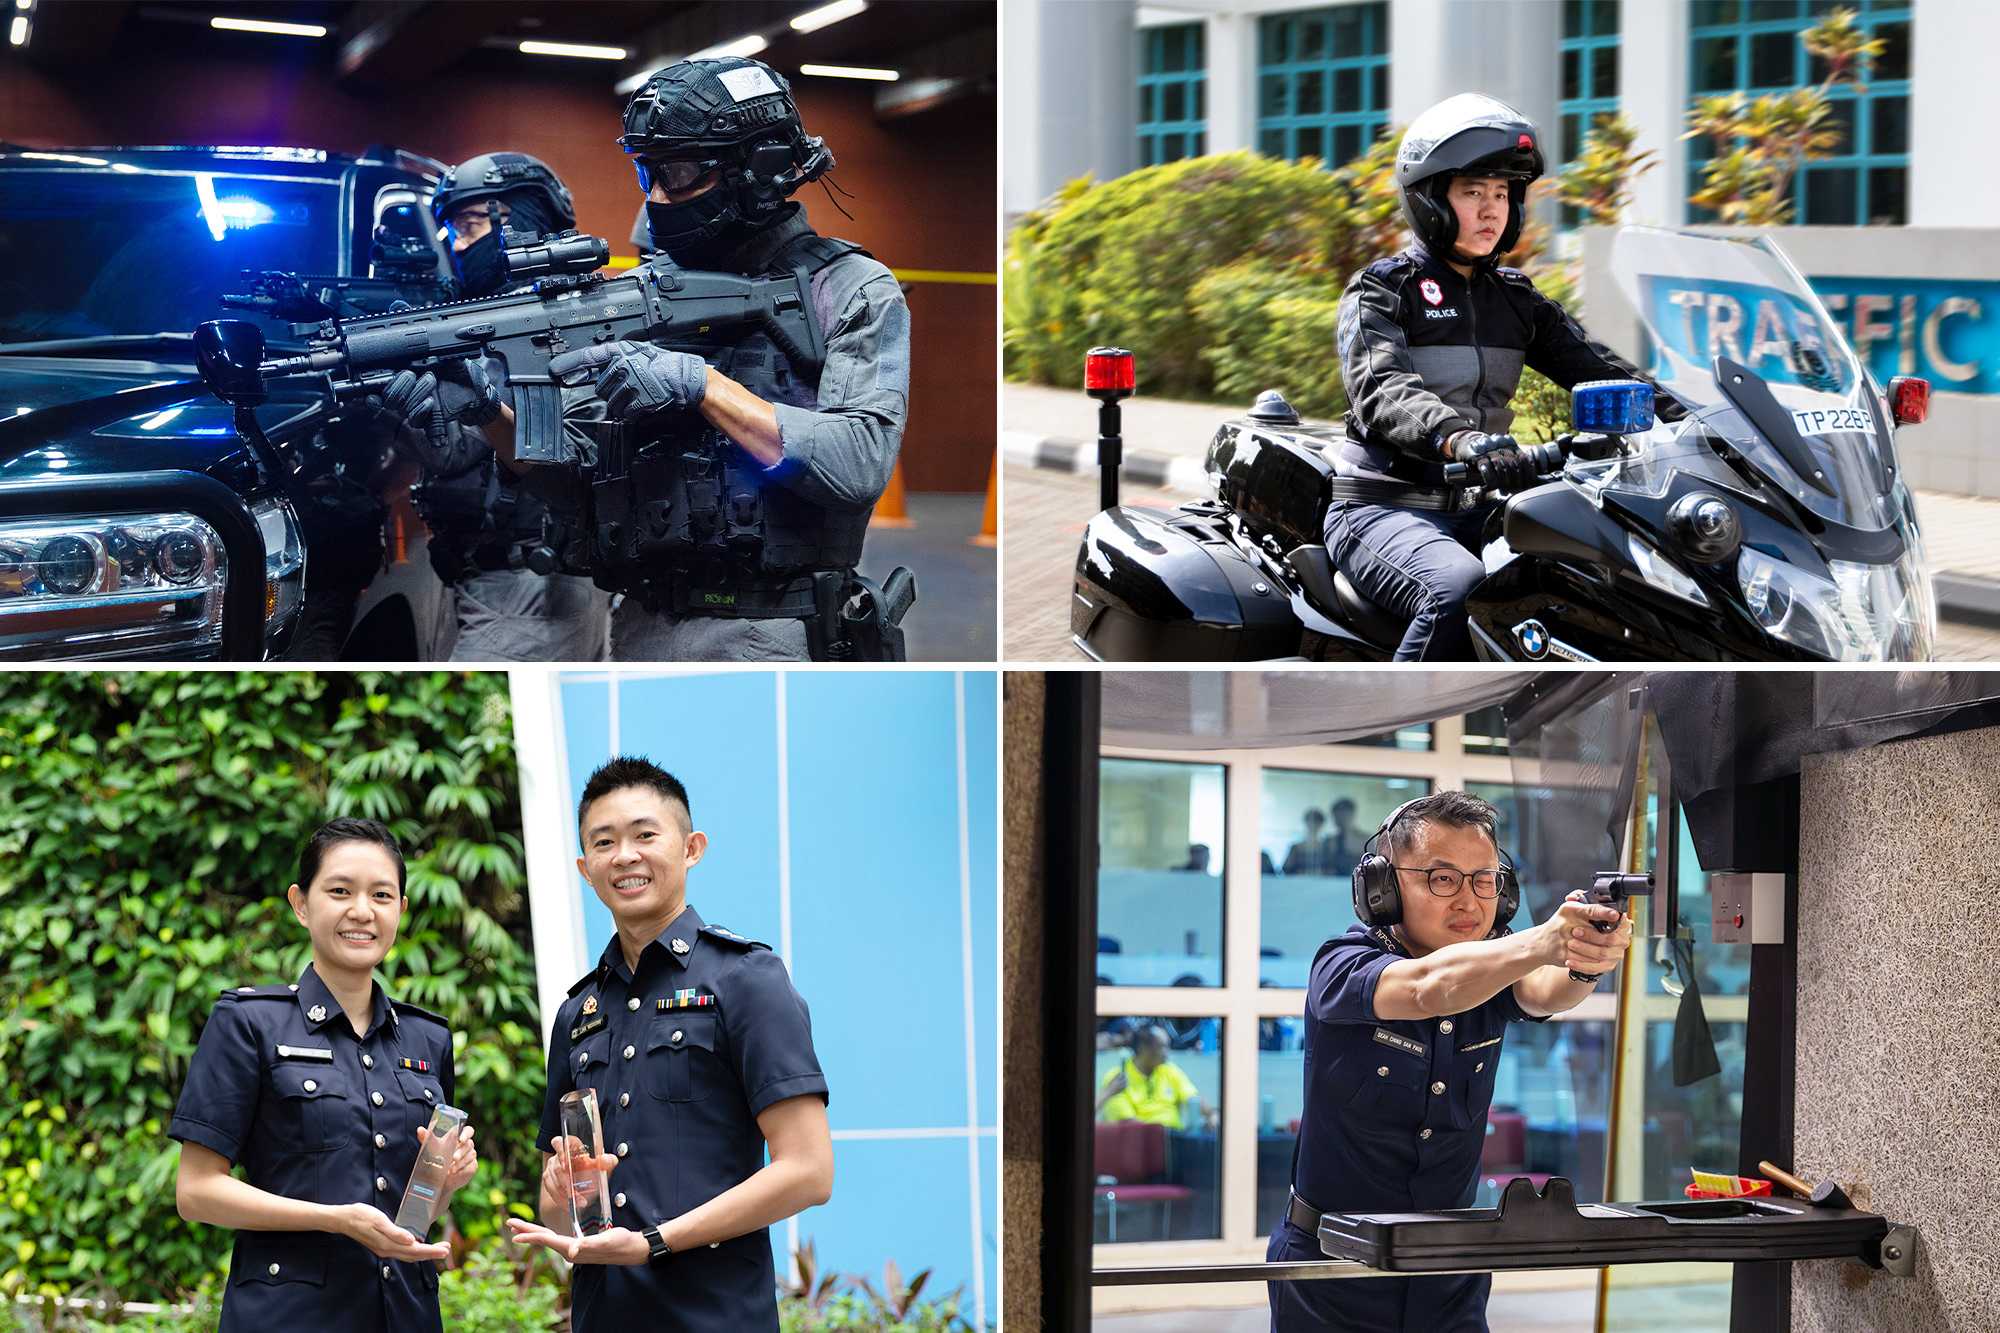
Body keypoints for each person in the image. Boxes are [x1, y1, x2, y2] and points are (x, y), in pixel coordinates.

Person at [486, 56, 912, 662]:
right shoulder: (641, 294)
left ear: (757, 170)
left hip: (771, 630)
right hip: (638, 625)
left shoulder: (847, 288)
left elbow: (860, 462)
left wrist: (700, 385)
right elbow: (572, 479)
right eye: (648, 175)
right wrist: (485, 412)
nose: (658, 198)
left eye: (680, 173)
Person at [1328, 93, 1684, 661]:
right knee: (1454, 593)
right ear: (1430, 199)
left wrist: (1705, 423)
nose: (1492, 210)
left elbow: (1604, 371)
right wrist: (1459, 438)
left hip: (1484, 505)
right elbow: (1383, 388)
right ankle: (1399, 739)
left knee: (1606, 588)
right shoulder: (1383, 288)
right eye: (1473, 193)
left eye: (1502, 194)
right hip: (1387, 506)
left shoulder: (1515, 300)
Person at [1264, 791, 1633, 1332]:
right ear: (1384, 890)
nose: (1468, 901)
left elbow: (1544, 991)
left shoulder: (1498, 963)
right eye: (1442, 879)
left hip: (1451, 1263)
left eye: (1484, 880)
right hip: (1333, 1264)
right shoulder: (1341, 966)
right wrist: (1541, 940)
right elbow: (1429, 988)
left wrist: (1583, 958)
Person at [506, 757, 833, 1331]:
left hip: (715, 1316)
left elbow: (809, 1170)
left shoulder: (745, 979)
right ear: (586, 869)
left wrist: (655, 1242)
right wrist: (563, 1193)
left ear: (691, 847)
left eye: (644, 834)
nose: (625, 856)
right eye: (603, 842)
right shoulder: (576, 1014)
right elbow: (558, 1212)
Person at [171, 818, 476, 1332]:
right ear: (301, 904)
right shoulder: (248, 1022)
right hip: (289, 1317)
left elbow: (412, 1215)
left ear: (400, 911)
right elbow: (197, 1192)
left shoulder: (429, 1040)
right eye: (340, 891)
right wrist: (335, 1219)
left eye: (381, 895)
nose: (362, 911)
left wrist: (444, 1185)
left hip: (405, 1314)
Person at [372, 151, 612, 661]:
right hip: (502, 580)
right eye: (451, 229)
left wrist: (407, 393)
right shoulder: (497, 316)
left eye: (470, 224)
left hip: (530, 587)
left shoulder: (550, 322)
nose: (457, 245)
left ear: (518, 220)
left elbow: (457, 451)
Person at [1096, 1025, 1216, 1132]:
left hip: (1174, 1140)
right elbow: (1128, 1125)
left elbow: (1193, 1099)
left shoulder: (1169, 1070)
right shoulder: (1118, 1078)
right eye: (1162, 1047)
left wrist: (1212, 1115)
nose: (1167, 1053)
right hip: (1139, 1144)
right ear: (1144, 1048)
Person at [1321, 797, 1361, 877]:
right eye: (1337, 816)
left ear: (1352, 815)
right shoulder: (1328, 841)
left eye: (1344, 815)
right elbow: (1324, 867)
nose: (1340, 819)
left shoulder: (1364, 840)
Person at [1283, 808, 1328, 876]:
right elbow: (1286, 869)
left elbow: (1332, 870)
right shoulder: (1295, 848)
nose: (1313, 825)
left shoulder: (1326, 848)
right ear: (1306, 823)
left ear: (1321, 825)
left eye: (1317, 822)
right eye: (1311, 821)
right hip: (1299, 883)